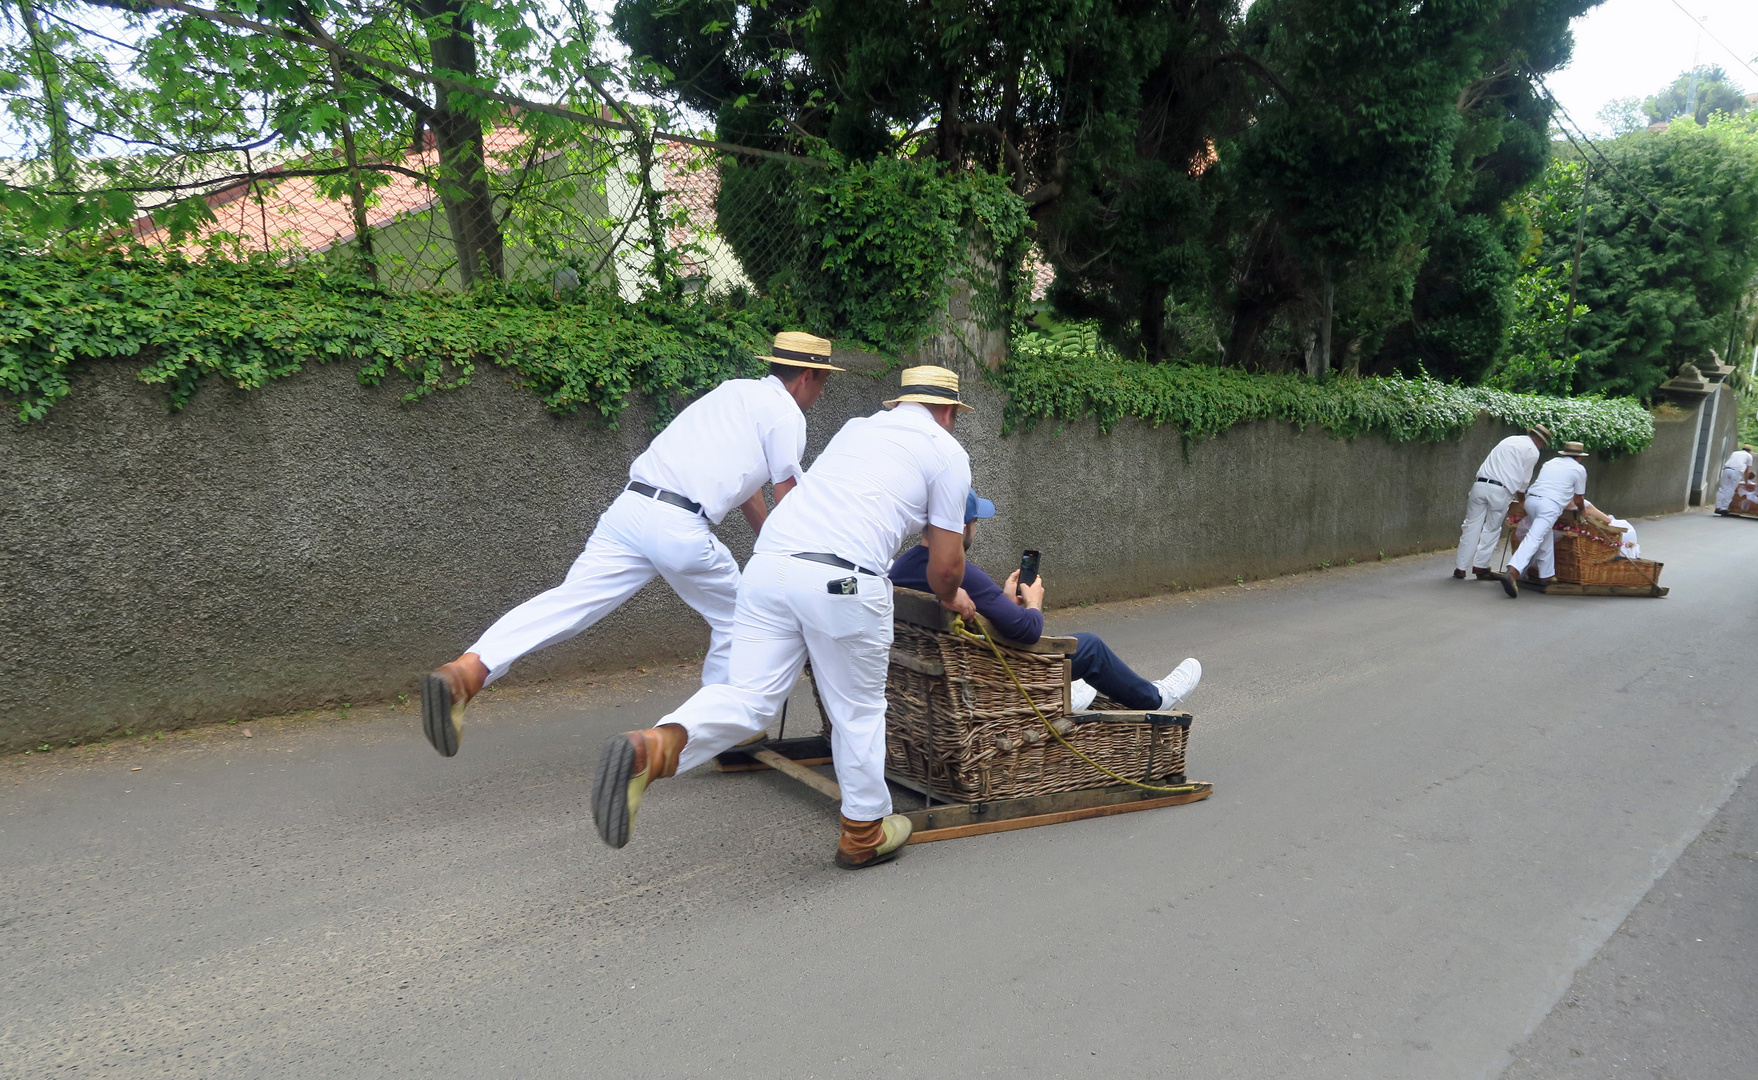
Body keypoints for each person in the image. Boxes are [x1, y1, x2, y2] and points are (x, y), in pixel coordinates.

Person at [590, 365, 980, 870]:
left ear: (900, 403)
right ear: (948, 412)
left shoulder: (856, 429)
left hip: (769, 567)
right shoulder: (948, 453)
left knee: (747, 697)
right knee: (857, 711)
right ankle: (864, 831)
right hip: (843, 582)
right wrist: (951, 597)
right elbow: (946, 566)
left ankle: (653, 747)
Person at [418, 331, 842, 757]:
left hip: (630, 508)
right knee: (742, 618)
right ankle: (722, 728)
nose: (821, 393)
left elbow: (750, 487)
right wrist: (799, 560)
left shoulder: (733, 393)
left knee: (571, 601)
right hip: (679, 525)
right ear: (806, 375)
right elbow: (787, 490)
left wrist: (764, 541)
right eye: (822, 382)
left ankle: (468, 670)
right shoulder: (787, 415)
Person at [889, 491, 1201, 714]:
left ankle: (1068, 693)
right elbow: (1028, 631)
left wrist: (1003, 600)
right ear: (960, 527)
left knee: (1079, 659)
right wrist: (1032, 603)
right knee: (1089, 647)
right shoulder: (961, 575)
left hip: (943, 679)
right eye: (974, 521)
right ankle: (1157, 698)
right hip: (992, 680)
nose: (975, 529)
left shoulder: (902, 568)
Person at [1501, 441, 1609, 598]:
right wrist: (1583, 511)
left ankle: (1546, 575)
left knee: (1545, 534)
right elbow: (1578, 498)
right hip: (1549, 505)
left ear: (1564, 454)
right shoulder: (1579, 469)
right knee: (1535, 536)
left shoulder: (1550, 463)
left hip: (1532, 500)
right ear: (1579, 457)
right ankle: (1513, 571)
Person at [1454, 425, 1549, 580]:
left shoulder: (1510, 440)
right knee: (1491, 529)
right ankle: (1480, 565)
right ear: (1541, 442)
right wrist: (1522, 501)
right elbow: (1523, 483)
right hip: (1500, 490)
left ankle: (1460, 567)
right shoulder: (1533, 452)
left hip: (1479, 485)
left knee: (1471, 525)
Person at [1714, 444, 1754, 515]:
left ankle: (1718, 507)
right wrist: (1746, 482)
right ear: (1749, 451)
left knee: (1722, 489)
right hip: (1736, 471)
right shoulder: (1749, 456)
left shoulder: (1735, 453)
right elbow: (1747, 471)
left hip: (1726, 469)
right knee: (1730, 489)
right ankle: (1724, 508)